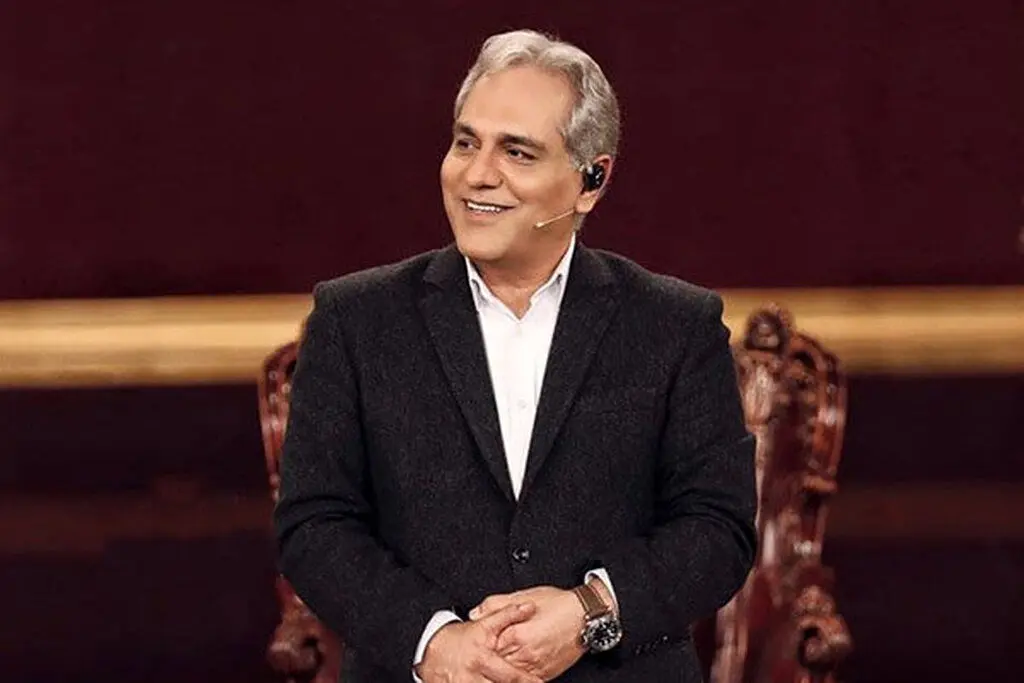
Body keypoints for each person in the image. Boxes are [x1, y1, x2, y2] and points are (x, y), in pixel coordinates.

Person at [274, 29, 757, 683]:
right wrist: (435, 642)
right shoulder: (355, 319)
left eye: (517, 152)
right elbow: (314, 525)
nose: (478, 174)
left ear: (591, 181)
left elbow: (718, 528)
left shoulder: (676, 325)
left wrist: (589, 612)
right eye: (465, 142)